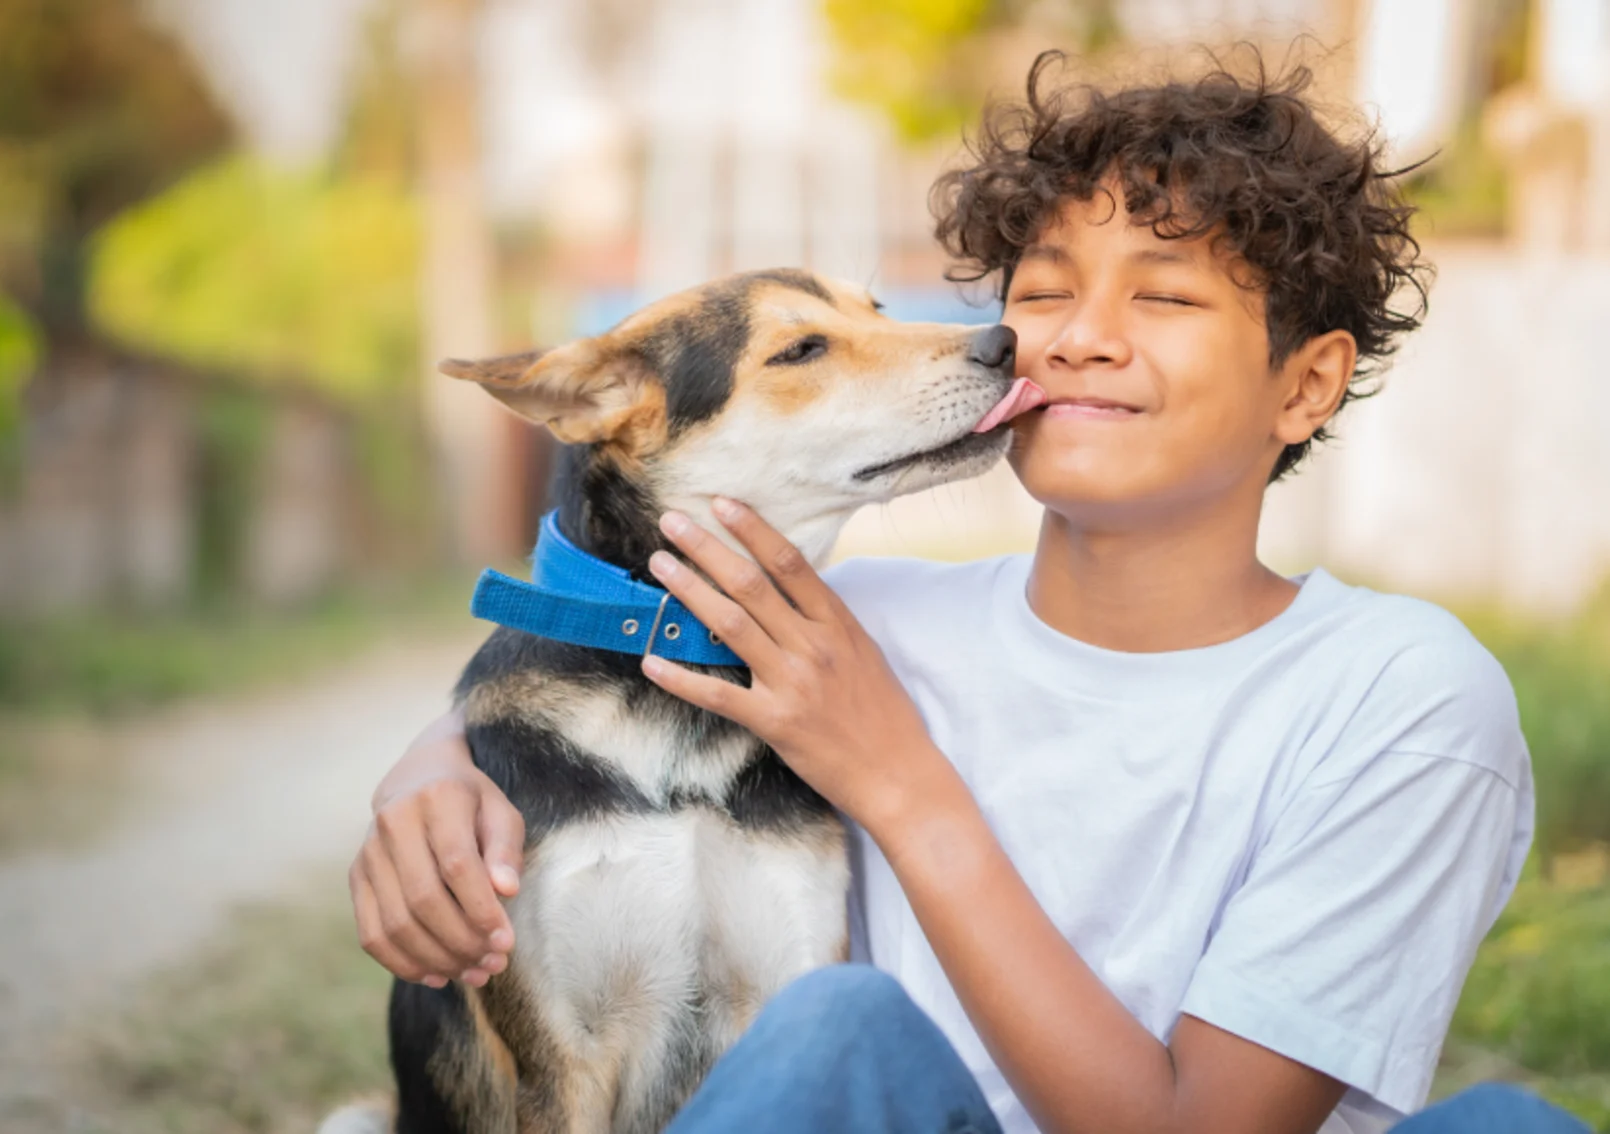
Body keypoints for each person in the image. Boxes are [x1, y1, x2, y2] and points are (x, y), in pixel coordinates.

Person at [349, 54, 1588, 1134]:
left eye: (1163, 295)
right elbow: (585, 679)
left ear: (1306, 385)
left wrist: (900, 781)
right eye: (1042, 292)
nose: (1071, 338)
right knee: (839, 1031)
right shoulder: (847, 626)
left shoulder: (1401, 696)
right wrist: (434, 774)